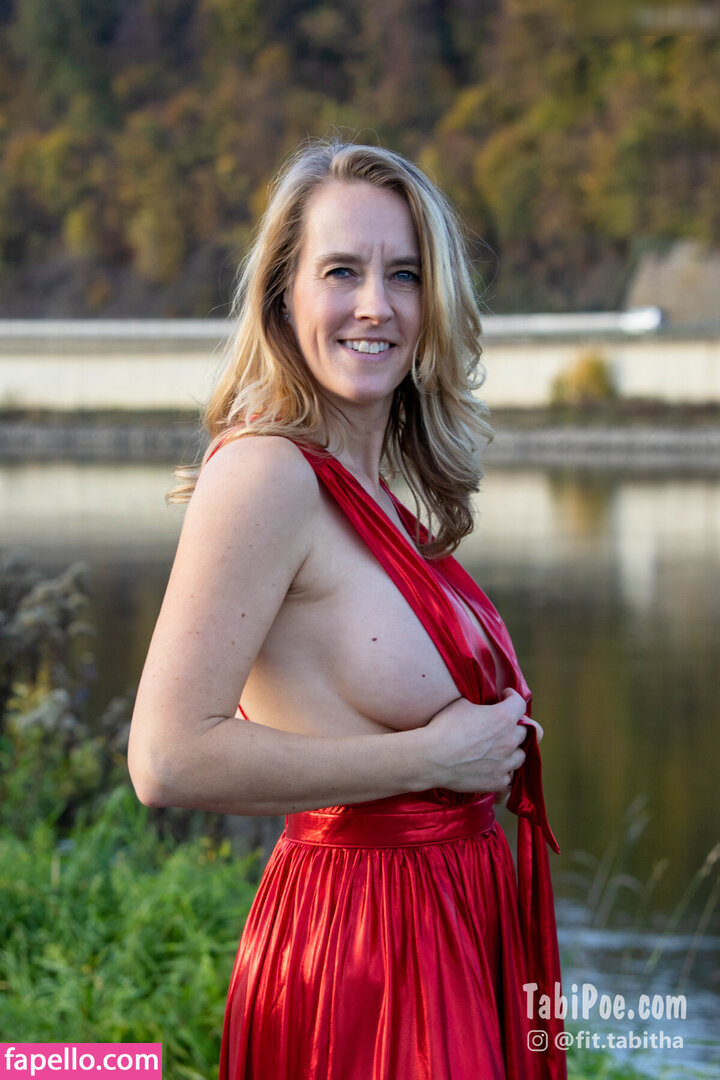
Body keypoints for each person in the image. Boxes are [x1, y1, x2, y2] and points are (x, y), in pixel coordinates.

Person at [128, 138, 566, 1080]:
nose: (377, 304)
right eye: (341, 272)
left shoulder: (376, 495)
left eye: (405, 274)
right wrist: (429, 759)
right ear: (284, 296)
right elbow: (165, 758)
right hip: (361, 952)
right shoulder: (265, 475)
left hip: (455, 919)